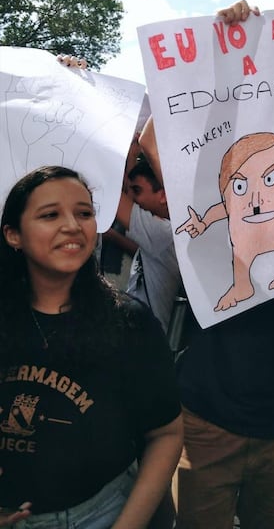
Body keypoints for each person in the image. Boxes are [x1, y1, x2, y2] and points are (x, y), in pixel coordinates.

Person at [139, 0, 274, 529]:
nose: (255, 194)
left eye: (272, 178)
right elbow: (154, 143)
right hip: (204, 423)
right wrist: (222, 56)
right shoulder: (211, 231)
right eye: (241, 183)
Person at [0, 165, 183, 528]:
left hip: (103, 513)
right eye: (50, 214)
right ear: (13, 234)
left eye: (84, 213)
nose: (72, 225)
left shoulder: (129, 323)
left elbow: (166, 434)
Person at [116, 153, 183, 335]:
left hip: (146, 335)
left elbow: (114, 197)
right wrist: (131, 152)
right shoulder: (169, 231)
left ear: (163, 195)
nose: (131, 197)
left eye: (136, 191)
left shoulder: (164, 232)